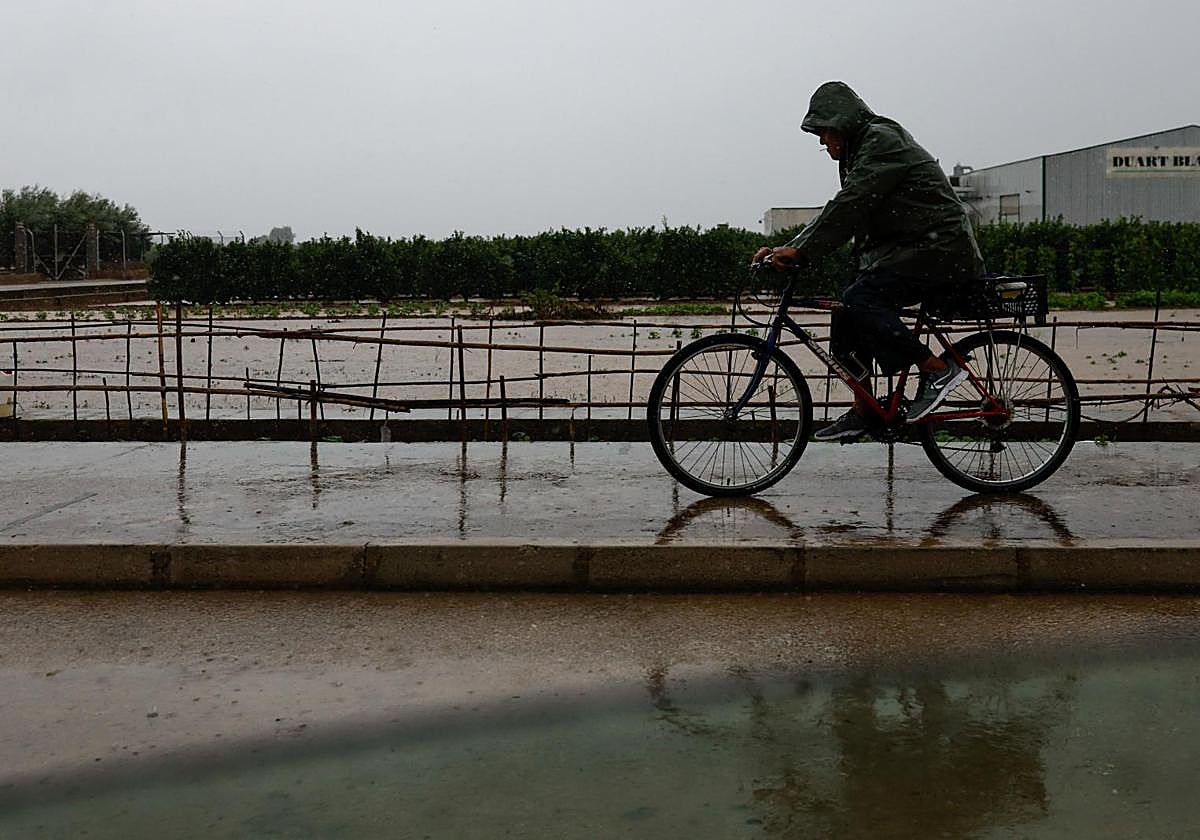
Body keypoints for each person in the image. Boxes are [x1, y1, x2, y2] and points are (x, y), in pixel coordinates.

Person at [754, 81, 985, 441]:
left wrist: (801, 251)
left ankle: (938, 370)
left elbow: (851, 205)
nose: (821, 140)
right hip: (912, 250)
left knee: (861, 299)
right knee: (848, 310)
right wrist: (788, 247)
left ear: (843, 124)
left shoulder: (881, 141)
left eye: (825, 131)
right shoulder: (861, 151)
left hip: (939, 251)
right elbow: (847, 209)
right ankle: (864, 411)